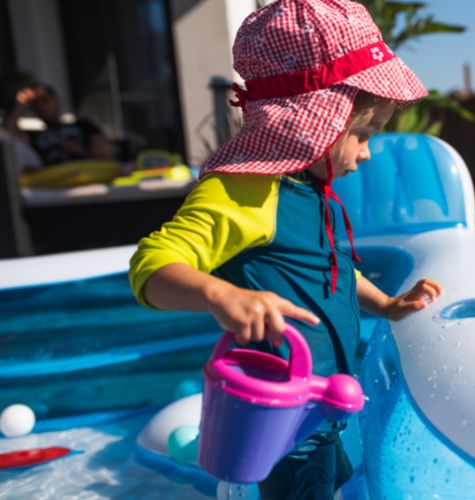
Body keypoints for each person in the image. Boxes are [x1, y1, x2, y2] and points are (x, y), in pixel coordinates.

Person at [128, 0, 443, 498]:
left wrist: (384, 305)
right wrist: (219, 295)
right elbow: (151, 265)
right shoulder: (243, 191)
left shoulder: (309, 189)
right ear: (310, 119)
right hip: (283, 420)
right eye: (360, 135)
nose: (365, 153)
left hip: (319, 407)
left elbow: (327, 271)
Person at [1, 84, 116, 166]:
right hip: (53, 183)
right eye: (36, 104)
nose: (41, 107)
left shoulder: (82, 125)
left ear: (57, 102)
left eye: (45, 101)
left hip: (88, 172)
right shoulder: (34, 135)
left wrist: (80, 151)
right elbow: (6, 132)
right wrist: (21, 103)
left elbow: (106, 150)